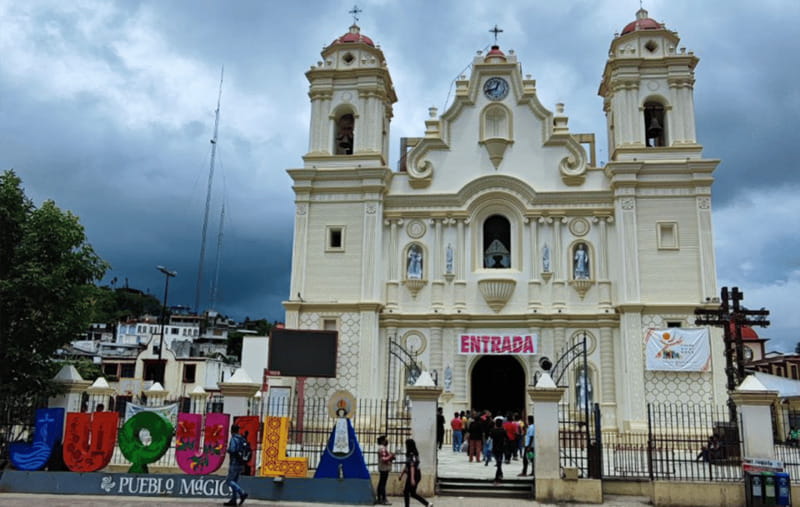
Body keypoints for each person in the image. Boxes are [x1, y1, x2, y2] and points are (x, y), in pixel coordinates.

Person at [398, 438, 432, 507]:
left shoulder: (411, 454)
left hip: (413, 474)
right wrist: (401, 474)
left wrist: (412, 478)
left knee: (406, 491)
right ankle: (427, 504)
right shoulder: (414, 453)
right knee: (412, 493)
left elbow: (412, 466)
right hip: (416, 474)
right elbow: (407, 465)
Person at [225, 424, 248, 506]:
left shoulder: (234, 439)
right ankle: (233, 500)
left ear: (231, 430)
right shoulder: (242, 439)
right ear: (238, 430)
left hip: (234, 462)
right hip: (240, 463)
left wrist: (227, 450)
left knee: (229, 481)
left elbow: (233, 449)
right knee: (234, 481)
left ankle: (242, 493)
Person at [376, 435, 395, 505]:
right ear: (382, 441)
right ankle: (384, 499)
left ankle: (379, 498)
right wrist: (391, 456)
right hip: (384, 468)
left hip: (382, 468)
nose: (386, 441)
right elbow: (384, 459)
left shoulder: (381, 448)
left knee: (381, 483)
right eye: (385, 440)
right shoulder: (382, 448)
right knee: (383, 484)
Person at [489, 418, 507, 484]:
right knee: (499, 462)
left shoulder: (493, 431)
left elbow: (490, 437)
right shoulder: (503, 431)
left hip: (495, 448)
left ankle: (498, 476)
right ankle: (499, 475)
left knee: (498, 462)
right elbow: (507, 438)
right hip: (501, 448)